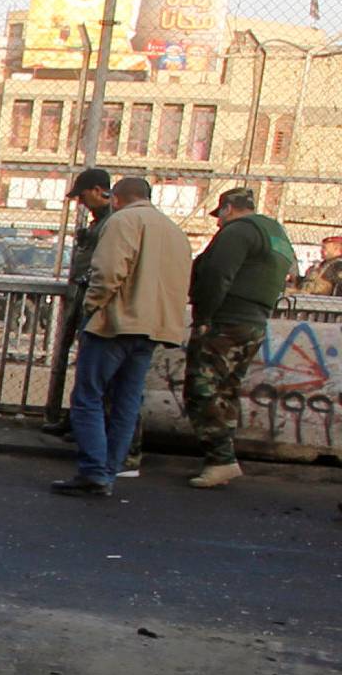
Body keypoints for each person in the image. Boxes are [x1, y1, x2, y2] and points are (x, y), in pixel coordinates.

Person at [49, 175, 190, 499]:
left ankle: (93, 471)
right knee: (127, 400)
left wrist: (92, 305)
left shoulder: (123, 221)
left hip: (117, 323)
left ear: (116, 198)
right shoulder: (174, 231)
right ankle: (110, 470)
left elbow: (109, 271)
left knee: (88, 397)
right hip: (154, 327)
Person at [184, 185, 296, 488]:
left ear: (227, 209)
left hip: (227, 320)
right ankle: (220, 458)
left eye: (219, 215)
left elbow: (217, 275)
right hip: (254, 322)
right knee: (227, 389)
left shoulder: (237, 231)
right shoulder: (275, 233)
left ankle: (221, 460)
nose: (218, 222)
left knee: (202, 388)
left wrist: (203, 318)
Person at [44, 167, 113, 436]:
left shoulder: (113, 221)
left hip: (93, 301)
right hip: (83, 296)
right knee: (83, 365)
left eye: (84, 196)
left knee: (94, 370)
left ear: (98, 190)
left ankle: (86, 425)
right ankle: (76, 419)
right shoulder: (101, 220)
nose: (82, 203)